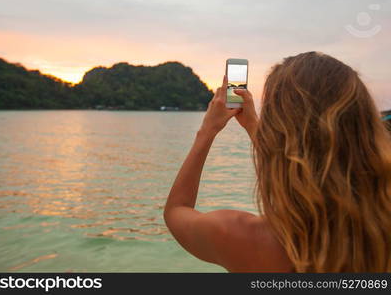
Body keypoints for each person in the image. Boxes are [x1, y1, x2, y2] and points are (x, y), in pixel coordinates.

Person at [163, 52, 391, 272]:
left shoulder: (241, 237)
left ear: (276, 129)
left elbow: (177, 211)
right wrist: (254, 126)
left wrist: (207, 131)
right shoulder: (379, 227)